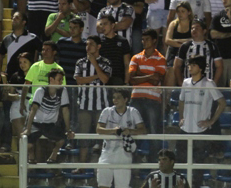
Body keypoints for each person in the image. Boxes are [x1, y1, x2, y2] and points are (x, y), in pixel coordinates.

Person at [177, 56, 226, 188]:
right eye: (189, 65)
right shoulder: (186, 82)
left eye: (193, 65)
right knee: (181, 163)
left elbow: (222, 103)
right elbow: (181, 101)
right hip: (185, 130)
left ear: (200, 68)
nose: (190, 67)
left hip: (200, 131)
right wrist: (181, 118)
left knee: (197, 165)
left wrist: (211, 121)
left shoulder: (209, 83)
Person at [96, 88, 146, 187]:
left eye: (118, 98)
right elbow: (98, 129)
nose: (115, 100)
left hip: (124, 154)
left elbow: (143, 130)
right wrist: (113, 131)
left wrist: (130, 131)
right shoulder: (107, 111)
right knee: (103, 185)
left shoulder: (133, 111)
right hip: (107, 153)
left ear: (126, 99)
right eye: (114, 97)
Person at [128, 28, 165, 161]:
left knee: (154, 132)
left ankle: (154, 163)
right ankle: (132, 161)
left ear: (154, 40)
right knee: (132, 131)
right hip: (136, 98)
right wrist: (149, 76)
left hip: (152, 100)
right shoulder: (136, 57)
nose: (144, 42)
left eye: (147, 39)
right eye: (142, 39)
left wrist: (139, 74)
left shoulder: (161, 59)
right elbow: (131, 79)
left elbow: (157, 80)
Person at [22, 69, 73, 163]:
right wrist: (28, 129)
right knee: (28, 145)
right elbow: (33, 110)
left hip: (50, 125)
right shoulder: (40, 90)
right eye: (59, 80)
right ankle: (31, 156)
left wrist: (68, 129)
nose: (61, 82)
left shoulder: (63, 90)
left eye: (62, 80)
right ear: (51, 79)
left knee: (61, 140)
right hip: (36, 123)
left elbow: (65, 111)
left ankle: (53, 156)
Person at [75, 35, 112, 165]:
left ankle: (101, 165)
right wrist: (97, 76)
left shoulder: (106, 62)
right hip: (84, 104)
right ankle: (81, 165)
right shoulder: (80, 62)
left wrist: (95, 64)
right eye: (87, 44)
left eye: (91, 44)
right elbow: (79, 80)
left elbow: (105, 80)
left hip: (101, 106)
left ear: (98, 46)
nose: (88, 47)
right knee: (83, 137)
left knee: (102, 138)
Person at [173, 20, 223, 85]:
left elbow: (219, 66)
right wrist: (181, 84)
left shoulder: (212, 46)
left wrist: (214, 84)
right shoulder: (185, 46)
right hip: (189, 85)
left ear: (204, 31)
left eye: (197, 28)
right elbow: (177, 66)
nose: (194, 30)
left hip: (207, 85)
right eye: (192, 28)